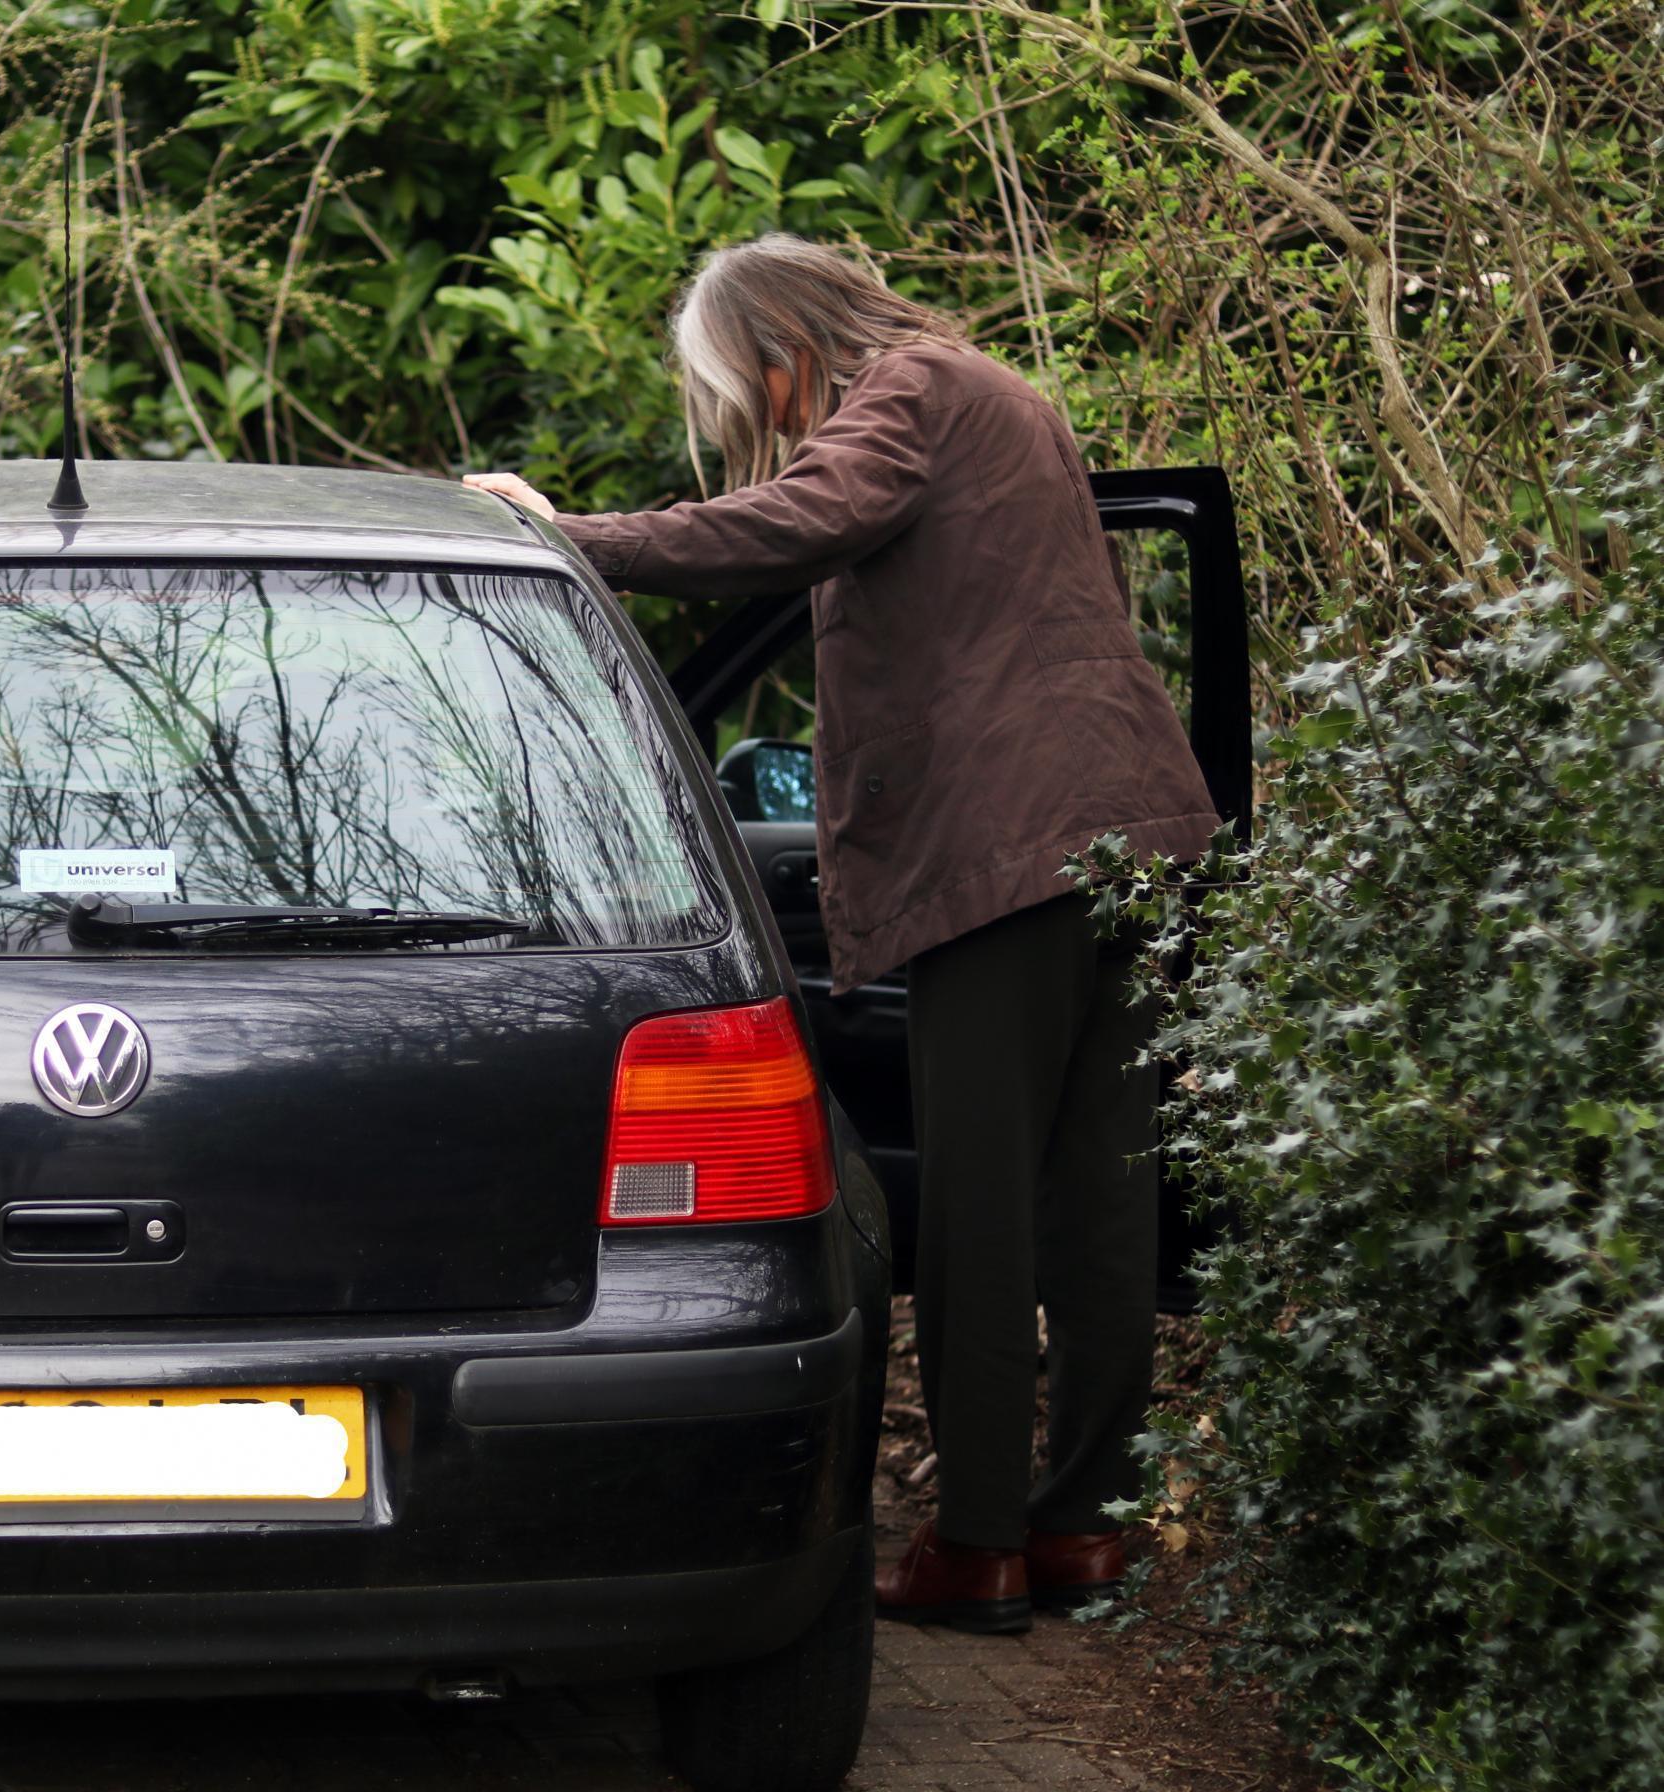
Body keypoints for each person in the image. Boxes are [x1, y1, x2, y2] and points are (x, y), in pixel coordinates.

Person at [465, 234, 1218, 1635]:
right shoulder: (1000, 391)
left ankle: (981, 1542)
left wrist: (568, 540)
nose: (756, 430)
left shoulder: (908, 395)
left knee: (987, 1212)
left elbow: (779, 528)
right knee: (1098, 1203)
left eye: (741, 398)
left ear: (781, 355)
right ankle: (1084, 1528)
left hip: (1009, 856)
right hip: (1129, 830)